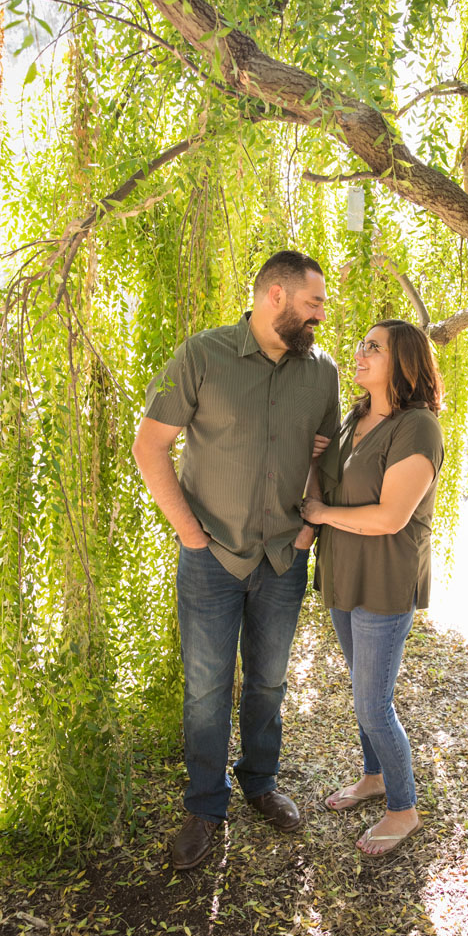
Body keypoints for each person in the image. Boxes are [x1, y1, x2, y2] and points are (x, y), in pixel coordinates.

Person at [132, 251, 339, 870]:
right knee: (206, 689)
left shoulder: (321, 373)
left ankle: (260, 782)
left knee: (270, 680)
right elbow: (150, 447)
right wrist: (191, 536)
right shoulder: (201, 355)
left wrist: (305, 531)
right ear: (274, 296)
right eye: (313, 303)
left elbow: (323, 463)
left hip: (282, 558)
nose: (321, 316)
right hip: (211, 557)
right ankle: (204, 806)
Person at [301, 319, 443, 859]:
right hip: (343, 573)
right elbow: (327, 490)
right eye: (360, 342)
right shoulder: (354, 418)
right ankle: (374, 776)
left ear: (403, 362)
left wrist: (320, 512)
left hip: (384, 578)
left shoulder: (418, 427)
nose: (360, 352)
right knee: (363, 693)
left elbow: (389, 517)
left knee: (372, 702)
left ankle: (403, 808)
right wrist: (317, 463)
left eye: (374, 347)